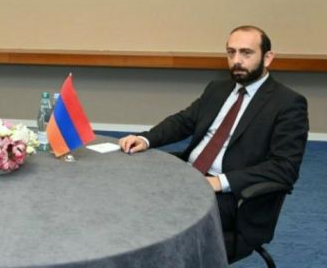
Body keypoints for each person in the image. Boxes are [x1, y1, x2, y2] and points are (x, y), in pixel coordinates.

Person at [118, 25, 308, 259]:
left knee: (156, 217)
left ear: (267, 58)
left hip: (231, 196)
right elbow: (184, 121)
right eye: (231, 52)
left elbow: (284, 168)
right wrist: (145, 138)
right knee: (127, 191)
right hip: (189, 174)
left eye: (246, 53)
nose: (236, 61)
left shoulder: (288, 104)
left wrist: (219, 182)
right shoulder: (218, 89)